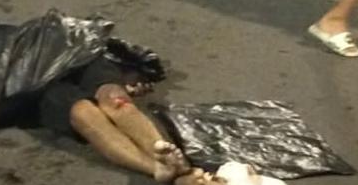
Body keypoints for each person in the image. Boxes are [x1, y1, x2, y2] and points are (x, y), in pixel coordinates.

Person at [34, 57, 221, 185]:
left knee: (114, 98)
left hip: (72, 59)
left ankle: (171, 160)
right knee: (82, 110)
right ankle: (158, 169)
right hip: (32, 84)